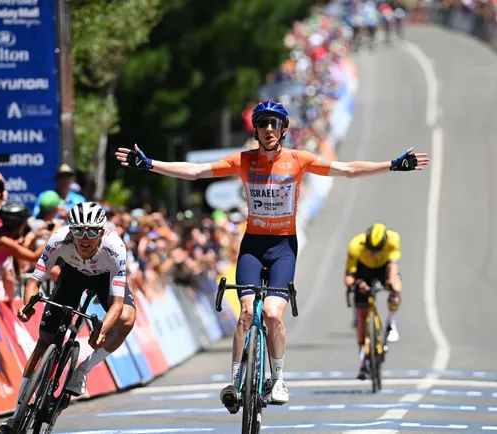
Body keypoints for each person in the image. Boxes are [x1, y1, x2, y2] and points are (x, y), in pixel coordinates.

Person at [115, 99, 429, 411]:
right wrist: (151, 163)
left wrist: (392, 164)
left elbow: (346, 169)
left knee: (273, 315)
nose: (267, 129)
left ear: (283, 130)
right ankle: (236, 382)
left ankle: (278, 379)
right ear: (256, 130)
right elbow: (196, 172)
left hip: (283, 248)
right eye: (262, 124)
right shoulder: (243, 160)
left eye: (273, 124)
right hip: (253, 245)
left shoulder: (298, 159)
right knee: (247, 313)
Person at [0, 201, 136, 432]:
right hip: (72, 276)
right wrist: (28, 305)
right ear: (70, 229)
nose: (84, 237)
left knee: (128, 320)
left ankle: (83, 370)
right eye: (78, 230)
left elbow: (118, 304)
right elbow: (34, 282)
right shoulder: (59, 239)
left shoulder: (115, 248)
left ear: (101, 232)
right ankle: (17, 414)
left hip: (104, 279)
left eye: (91, 231)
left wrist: (101, 330)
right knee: (45, 341)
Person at [344, 222, 402, 380]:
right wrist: (356, 284)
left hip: (384, 268)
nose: (372, 253)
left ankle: (391, 323)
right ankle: (362, 360)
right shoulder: (356, 245)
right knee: (362, 314)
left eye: (376, 251)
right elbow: (348, 276)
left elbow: (393, 268)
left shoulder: (393, 240)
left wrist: (392, 288)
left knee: (396, 284)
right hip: (363, 272)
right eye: (370, 249)